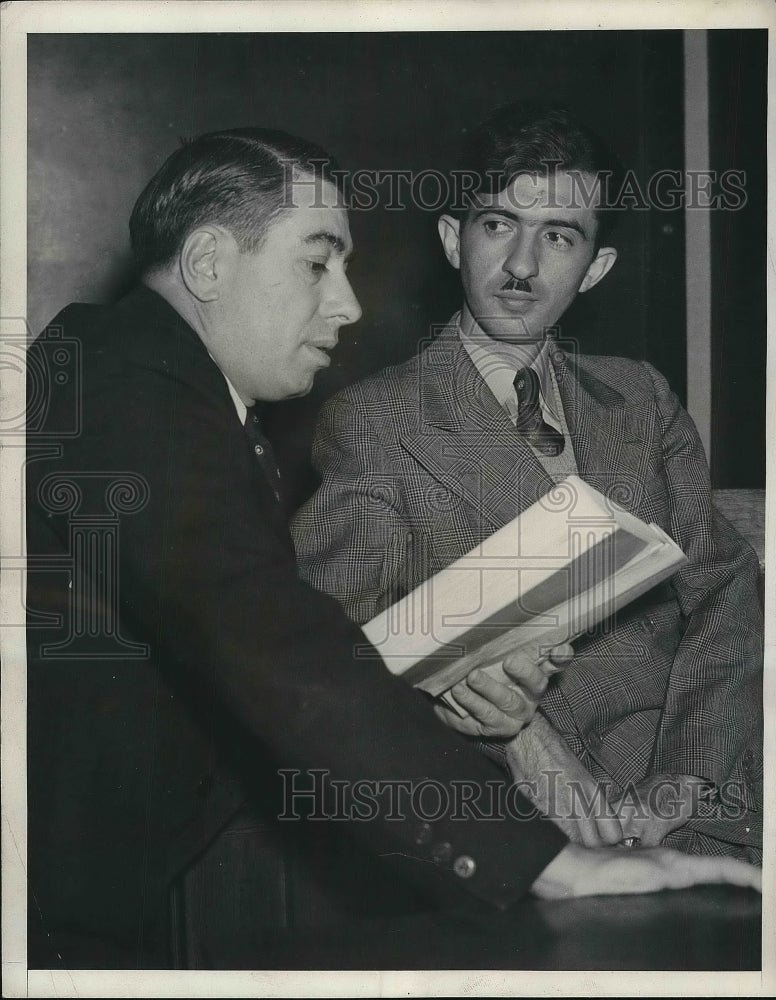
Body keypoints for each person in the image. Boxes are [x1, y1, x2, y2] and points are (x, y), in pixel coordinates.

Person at [26, 127, 761, 971]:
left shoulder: (143, 383)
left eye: (559, 235)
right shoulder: (131, 392)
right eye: (317, 262)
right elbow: (276, 638)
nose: (348, 304)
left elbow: (272, 633)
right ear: (209, 263)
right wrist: (544, 854)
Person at [291, 104, 764, 861]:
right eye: (497, 225)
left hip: (700, 785)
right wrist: (498, 724)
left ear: (595, 267)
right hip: (509, 808)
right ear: (453, 240)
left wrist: (687, 776)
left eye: (558, 236)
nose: (521, 266)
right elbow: (323, 637)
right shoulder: (373, 419)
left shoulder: (639, 397)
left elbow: (727, 591)